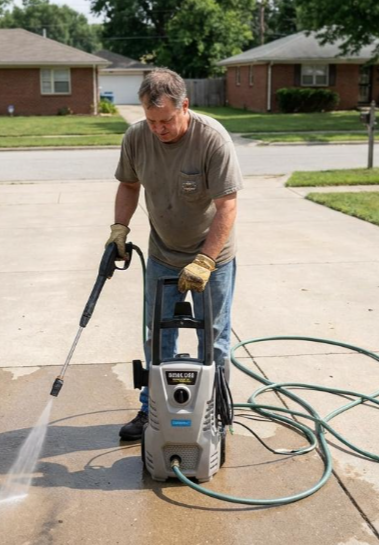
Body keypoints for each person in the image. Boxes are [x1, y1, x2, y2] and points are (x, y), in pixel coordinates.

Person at [106, 68, 243, 440]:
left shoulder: (212, 139)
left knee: (213, 337)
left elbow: (227, 206)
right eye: (151, 120)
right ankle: (153, 409)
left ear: (185, 105)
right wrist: (119, 228)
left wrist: (205, 260)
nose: (158, 129)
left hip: (212, 257)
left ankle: (216, 411)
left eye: (166, 120)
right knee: (156, 336)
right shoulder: (137, 137)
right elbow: (129, 185)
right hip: (163, 253)